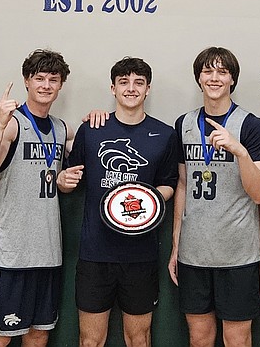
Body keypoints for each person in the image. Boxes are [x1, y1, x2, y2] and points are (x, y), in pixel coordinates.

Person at [58, 56, 179, 347]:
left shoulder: (165, 134)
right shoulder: (92, 129)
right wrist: (63, 181)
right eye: (124, 82)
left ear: (148, 89)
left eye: (139, 82)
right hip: (95, 253)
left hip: (141, 254)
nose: (131, 88)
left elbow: (169, 185)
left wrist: (146, 198)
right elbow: (70, 179)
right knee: (90, 340)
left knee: (139, 338)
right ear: (113, 88)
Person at [169, 47, 260, 347]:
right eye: (208, 71)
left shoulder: (250, 125)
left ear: (232, 80)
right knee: (199, 338)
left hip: (237, 256)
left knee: (237, 340)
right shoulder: (183, 124)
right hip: (194, 254)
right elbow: (183, 186)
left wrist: (240, 152)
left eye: (222, 72)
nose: (214, 78)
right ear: (199, 78)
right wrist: (176, 246)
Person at [0, 49, 72, 347]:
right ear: (27, 81)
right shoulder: (13, 125)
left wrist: (64, 182)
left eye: (53, 79)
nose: (45, 85)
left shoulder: (60, 128)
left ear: (61, 85)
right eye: (39, 78)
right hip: (11, 256)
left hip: (48, 253)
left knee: (38, 335)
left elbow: (56, 181)